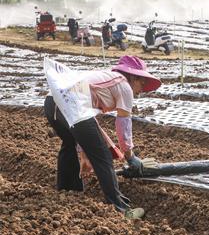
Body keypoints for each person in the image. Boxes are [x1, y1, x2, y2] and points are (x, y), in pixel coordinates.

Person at [44, 55, 161, 219]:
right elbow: (123, 124)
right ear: (133, 77)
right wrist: (130, 156)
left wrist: (84, 153)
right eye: (142, 82)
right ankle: (120, 210)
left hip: (52, 103)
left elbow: (83, 128)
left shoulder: (107, 77)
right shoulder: (124, 86)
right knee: (103, 157)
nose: (142, 87)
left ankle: (67, 191)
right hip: (71, 105)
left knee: (69, 144)